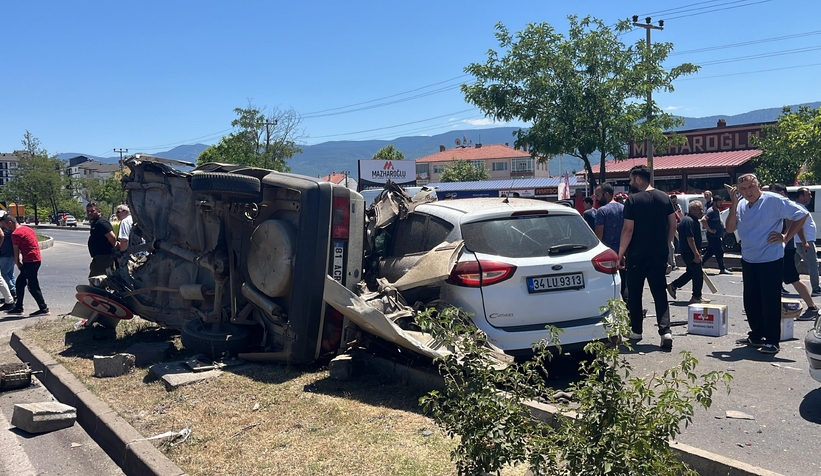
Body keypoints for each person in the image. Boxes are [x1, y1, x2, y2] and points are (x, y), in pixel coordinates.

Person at [725, 175, 808, 355]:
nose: (748, 192)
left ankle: (772, 341)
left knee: (770, 301)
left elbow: (802, 214)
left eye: (751, 187)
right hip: (748, 258)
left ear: (758, 186)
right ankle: (756, 335)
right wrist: (733, 205)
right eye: (743, 189)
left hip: (770, 257)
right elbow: (730, 228)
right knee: (751, 300)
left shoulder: (774, 200)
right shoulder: (740, 205)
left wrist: (786, 236)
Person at [618, 165, 676, 349]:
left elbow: (628, 229)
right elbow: (672, 225)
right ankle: (665, 331)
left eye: (630, 179)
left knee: (635, 292)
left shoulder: (632, 200)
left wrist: (620, 253)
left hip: (636, 253)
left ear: (638, 179)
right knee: (659, 291)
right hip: (659, 252)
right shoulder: (664, 197)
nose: (630, 183)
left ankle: (636, 331)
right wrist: (665, 245)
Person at [771, 184, 818, 321]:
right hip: (778, 248)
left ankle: (812, 307)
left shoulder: (787, 206)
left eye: (773, 193)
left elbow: (799, 223)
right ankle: (771, 308)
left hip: (786, 248)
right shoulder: (776, 205)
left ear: (782, 192)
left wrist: (787, 237)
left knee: (792, 277)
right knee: (775, 277)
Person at [0, 214, 47, 316]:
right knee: (20, 283)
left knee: (32, 285)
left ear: (10, 223)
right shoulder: (27, 228)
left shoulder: (15, 234)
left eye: (5, 226)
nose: (5, 229)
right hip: (36, 258)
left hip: (30, 261)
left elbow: (16, 251)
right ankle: (18, 307)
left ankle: (44, 308)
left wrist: (17, 263)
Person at [667, 201, 710, 304]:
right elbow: (690, 238)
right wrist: (696, 253)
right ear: (692, 210)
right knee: (697, 275)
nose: (702, 211)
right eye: (699, 209)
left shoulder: (691, 220)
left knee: (691, 273)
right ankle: (696, 296)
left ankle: (673, 285)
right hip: (690, 252)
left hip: (688, 251)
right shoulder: (689, 221)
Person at [594, 182, 627, 302]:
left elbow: (599, 236)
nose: (596, 199)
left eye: (598, 195)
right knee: (625, 286)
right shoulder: (624, 209)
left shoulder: (602, 211)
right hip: (623, 252)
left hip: (607, 256)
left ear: (606, 195)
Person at [794, 187, 821, 296]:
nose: (810, 197)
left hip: (799, 241)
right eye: (808, 194)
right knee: (813, 264)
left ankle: (777, 284)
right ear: (801, 196)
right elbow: (799, 226)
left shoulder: (800, 208)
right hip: (804, 242)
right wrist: (805, 242)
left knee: (791, 264)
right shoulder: (799, 209)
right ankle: (816, 289)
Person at [701, 195, 732, 274]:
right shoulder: (710, 211)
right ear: (714, 202)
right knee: (719, 252)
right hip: (713, 236)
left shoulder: (717, 210)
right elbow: (703, 220)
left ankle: (699, 264)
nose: (721, 203)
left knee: (710, 252)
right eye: (719, 202)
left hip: (717, 235)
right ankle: (722, 268)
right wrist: (710, 230)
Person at [86, 202, 117, 277]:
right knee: (106, 279)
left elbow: (112, 237)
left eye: (92, 211)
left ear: (99, 211)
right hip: (100, 257)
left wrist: (116, 249)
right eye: (88, 211)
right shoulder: (96, 222)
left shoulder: (102, 223)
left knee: (94, 279)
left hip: (103, 257)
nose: (90, 213)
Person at [0, 221, 16, 299]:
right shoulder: (10, 231)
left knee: (4, 274)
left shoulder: (4, 231)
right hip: (12, 255)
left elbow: (2, 235)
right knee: (10, 274)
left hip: (6, 255)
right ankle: (15, 292)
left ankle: (12, 290)